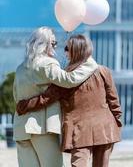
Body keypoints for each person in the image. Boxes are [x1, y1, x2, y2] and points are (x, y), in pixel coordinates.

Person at [17, 34, 122, 167]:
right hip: (105, 129)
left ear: (76, 50)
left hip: (79, 130)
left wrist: (25, 105)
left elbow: (47, 98)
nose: (64, 51)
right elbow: (114, 103)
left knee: (78, 164)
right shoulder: (103, 71)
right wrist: (117, 124)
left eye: (67, 48)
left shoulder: (66, 76)